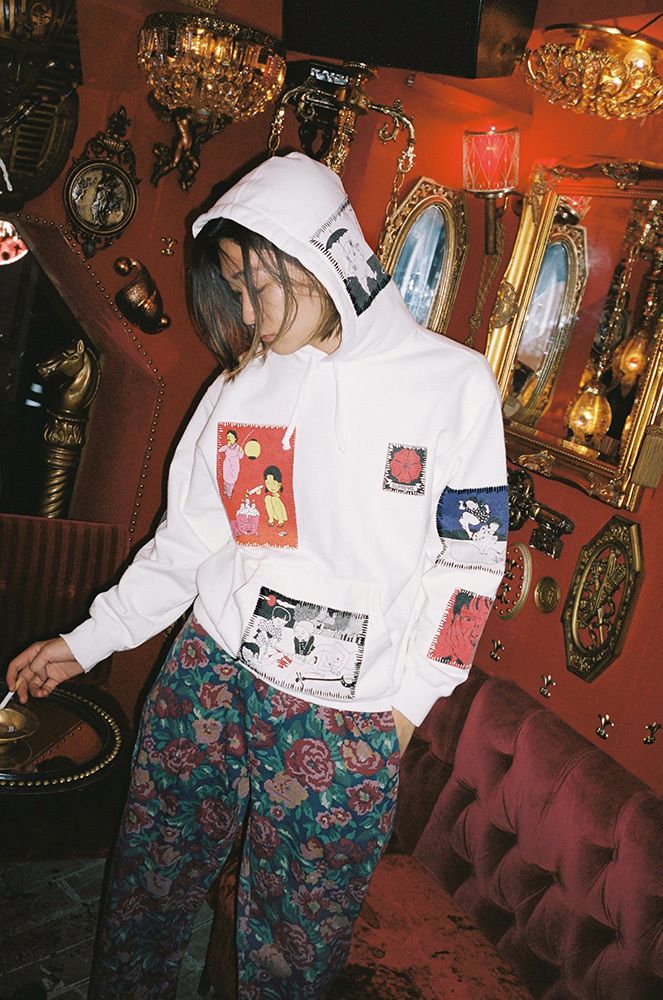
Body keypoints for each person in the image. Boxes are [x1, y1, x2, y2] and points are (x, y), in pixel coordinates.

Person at [6, 152, 508, 1000]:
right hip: (207, 675)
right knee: (145, 896)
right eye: (233, 288)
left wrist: (406, 707)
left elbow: (469, 570)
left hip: (342, 720)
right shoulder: (244, 385)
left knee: (291, 956)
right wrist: (87, 642)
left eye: (255, 284)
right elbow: (188, 543)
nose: (245, 312)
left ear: (318, 255)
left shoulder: (452, 386)